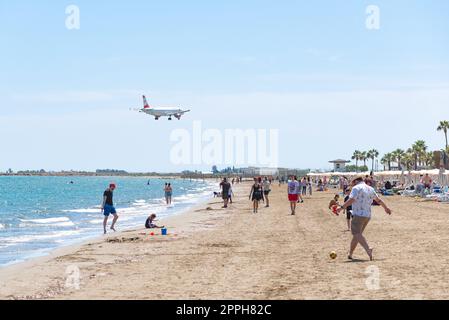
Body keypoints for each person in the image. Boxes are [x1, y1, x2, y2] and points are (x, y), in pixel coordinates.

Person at [337, 177, 392, 261]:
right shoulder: (370, 188)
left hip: (358, 214)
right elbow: (378, 200)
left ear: (356, 181)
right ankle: (350, 254)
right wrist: (386, 208)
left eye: (352, 182)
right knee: (357, 235)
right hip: (367, 215)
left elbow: (351, 199)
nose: (352, 184)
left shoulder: (356, 188)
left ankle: (368, 249)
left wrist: (341, 207)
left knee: (356, 233)